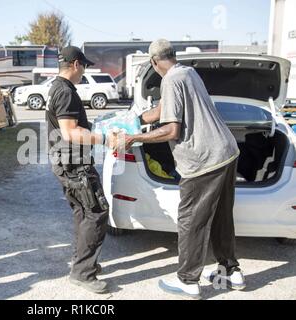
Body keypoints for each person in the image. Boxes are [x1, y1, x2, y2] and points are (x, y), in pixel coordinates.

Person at [110, 39, 245, 299]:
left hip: (203, 160)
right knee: (221, 215)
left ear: (153, 62)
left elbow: (172, 130)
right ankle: (230, 271)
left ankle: (188, 280)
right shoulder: (188, 72)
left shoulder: (170, 80)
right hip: (227, 152)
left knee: (191, 220)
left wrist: (133, 138)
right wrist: (136, 120)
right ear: (173, 55)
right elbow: (163, 109)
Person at [46, 46, 110, 294]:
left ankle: (82, 263)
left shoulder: (57, 88)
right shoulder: (65, 92)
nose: (84, 71)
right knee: (96, 211)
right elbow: (70, 132)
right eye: (84, 66)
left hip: (67, 161)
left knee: (83, 213)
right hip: (74, 164)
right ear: (75, 64)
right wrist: (104, 138)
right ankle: (83, 273)